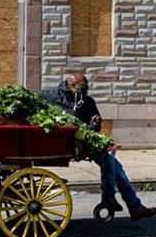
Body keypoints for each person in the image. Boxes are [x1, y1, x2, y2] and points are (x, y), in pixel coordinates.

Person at [41, 72, 156, 221]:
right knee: (114, 166)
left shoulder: (88, 101)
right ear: (71, 84)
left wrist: (95, 125)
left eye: (86, 87)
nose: (85, 90)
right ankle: (121, 202)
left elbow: (94, 128)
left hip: (83, 144)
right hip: (62, 144)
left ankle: (125, 204)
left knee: (112, 162)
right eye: (82, 87)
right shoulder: (51, 96)